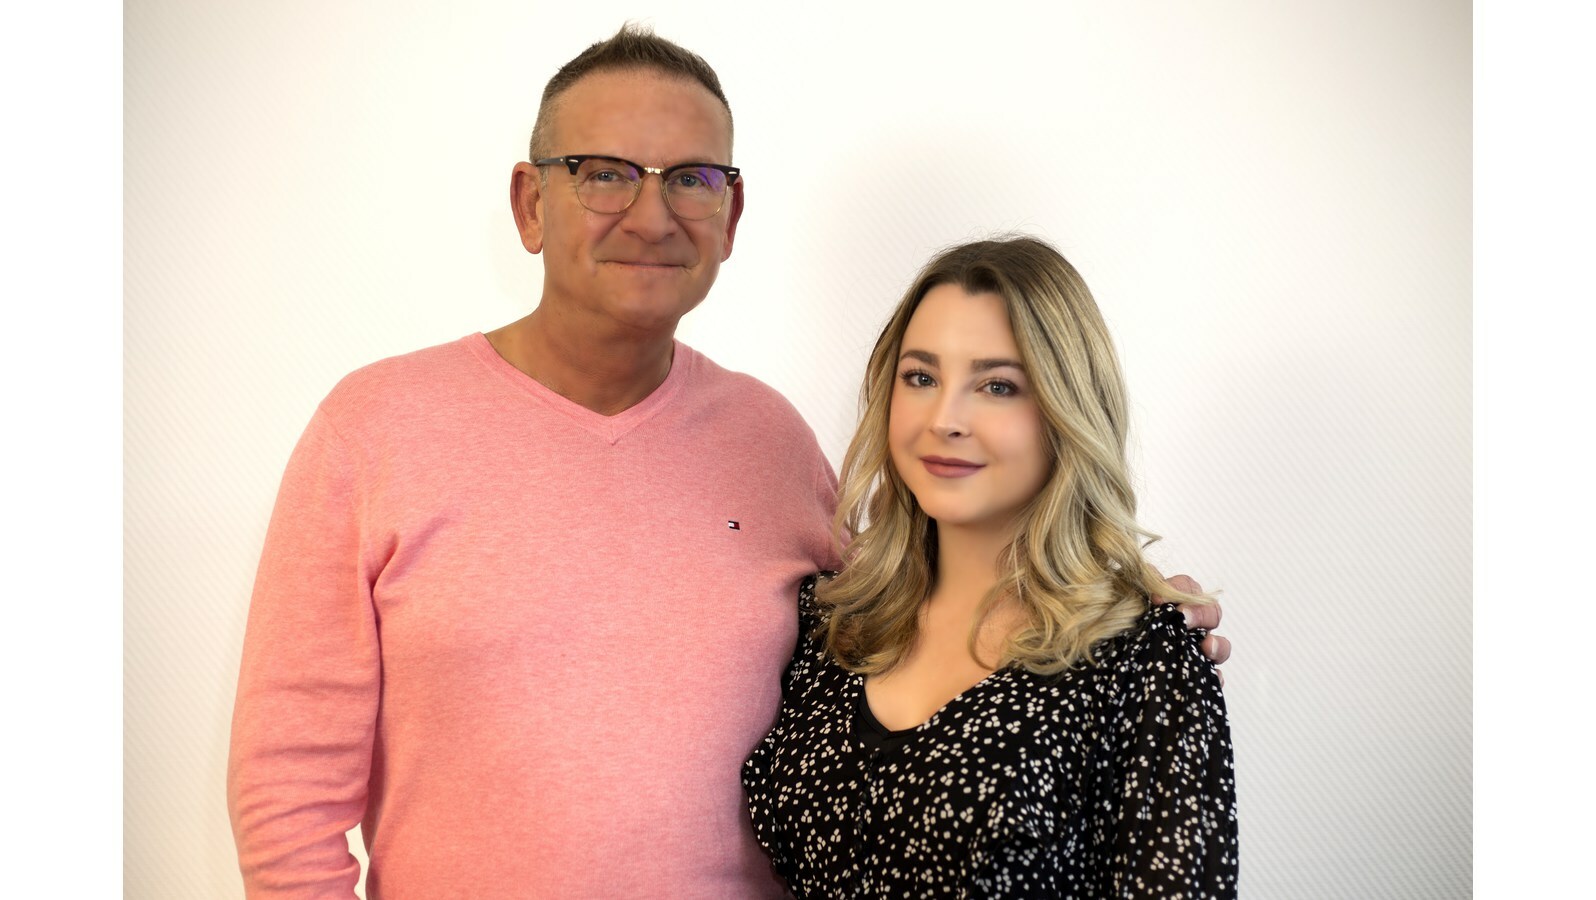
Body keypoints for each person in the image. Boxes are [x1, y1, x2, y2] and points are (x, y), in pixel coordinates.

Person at [227, 26, 1230, 899]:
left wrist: (1119, 602)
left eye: (692, 180)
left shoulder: (771, 440)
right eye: (604, 172)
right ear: (530, 204)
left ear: (731, 218)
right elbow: (287, 783)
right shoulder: (375, 428)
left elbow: (918, 603)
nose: (652, 215)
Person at [744, 237, 1239, 897]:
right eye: (921, 377)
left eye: (997, 386)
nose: (945, 419)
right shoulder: (831, 624)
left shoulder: (1142, 660)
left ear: (1067, 411)